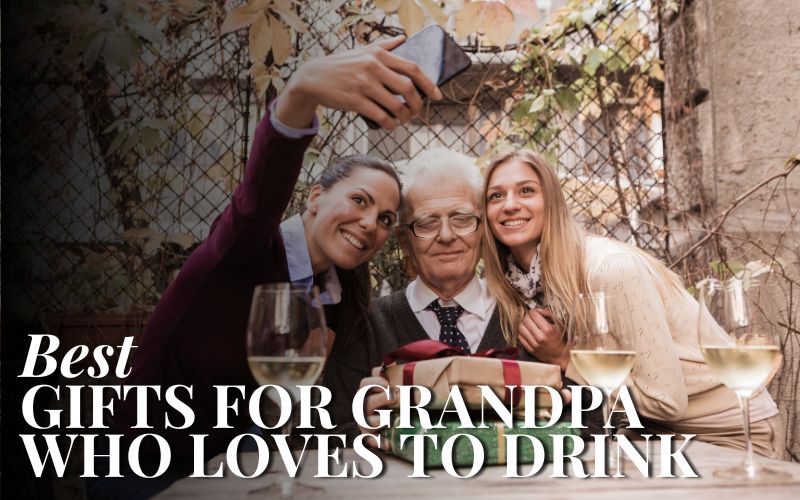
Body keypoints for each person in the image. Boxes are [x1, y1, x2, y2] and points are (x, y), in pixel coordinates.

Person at [88, 37, 443, 499]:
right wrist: (303, 91)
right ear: (315, 198)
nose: (370, 223)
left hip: (236, 459)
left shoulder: (332, 297)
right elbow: (259, 194)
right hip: (147, 461)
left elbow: (290, 411)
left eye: (385, 219)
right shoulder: (246, 248)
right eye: (359, 200)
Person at [480, 148, 786, 459]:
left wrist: (564, 358)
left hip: (727, 434)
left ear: (553, 202)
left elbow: (666, 402)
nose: (510, 205)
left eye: (526, 190)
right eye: (495, 196)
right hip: (648, 437)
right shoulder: (519, 286)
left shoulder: (608, 269)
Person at [323, 148, 599, 442]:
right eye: (427, 222)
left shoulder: (533, 324)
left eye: (462, 218)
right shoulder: (367, 325)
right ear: (404, 238)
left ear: (483, 230)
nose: (446, 236)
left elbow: (591, 426)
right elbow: (322, 431)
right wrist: (360, 430)